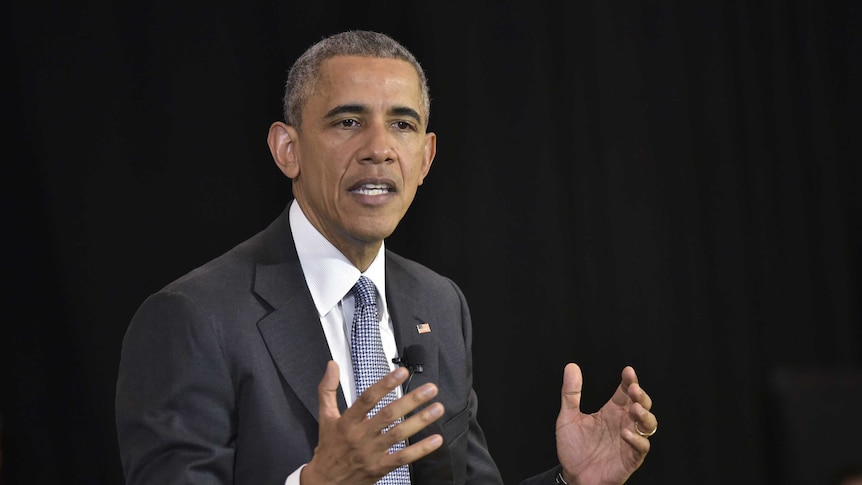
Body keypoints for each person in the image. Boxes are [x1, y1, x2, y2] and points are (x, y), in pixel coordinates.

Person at [115, 30, 658, 485]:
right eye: (347, 121)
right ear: (288, 149)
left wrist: (570, 480)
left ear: (425, 158)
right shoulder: (192, 317)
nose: (379, 147)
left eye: (402, 124)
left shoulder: (439, 301)